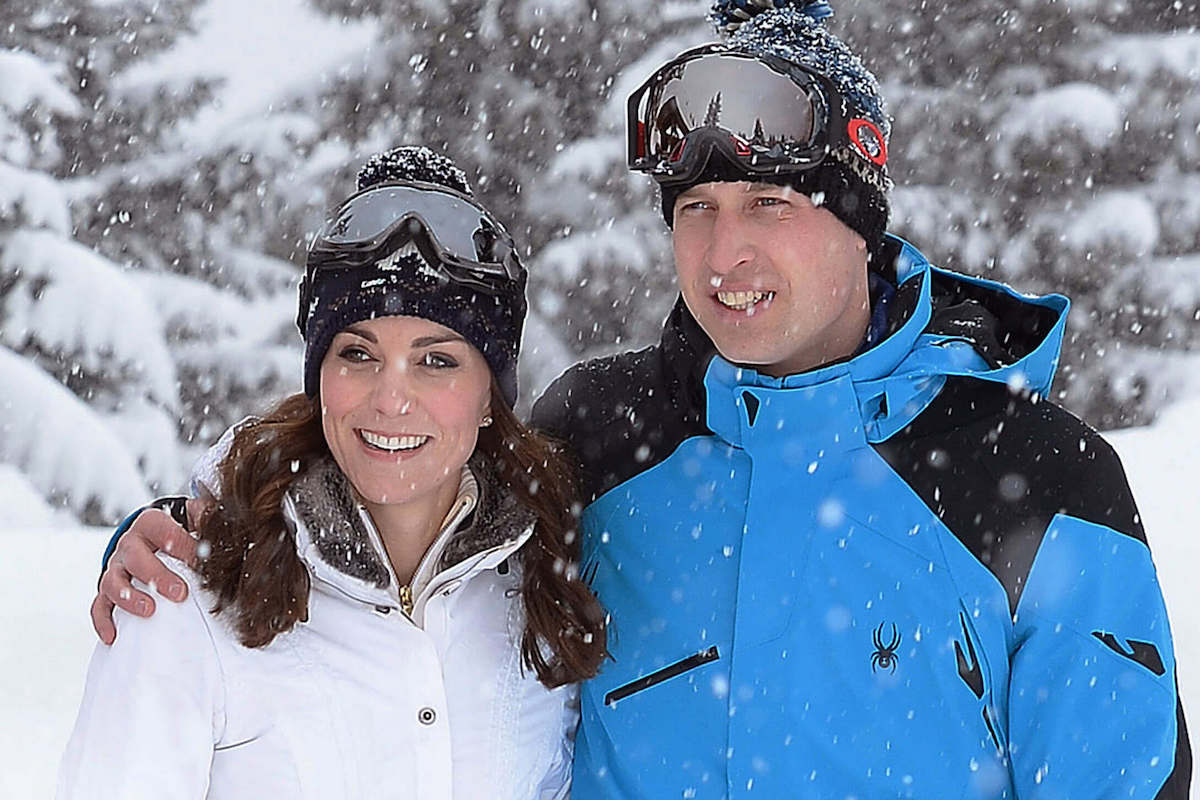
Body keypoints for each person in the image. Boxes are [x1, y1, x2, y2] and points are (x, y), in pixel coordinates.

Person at [92, 1, 1191, 797]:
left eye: (772, 201)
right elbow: (392, 490)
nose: (726, 249)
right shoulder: (602, 435)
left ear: (863, 223)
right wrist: (172, 538)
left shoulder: (1037, 477)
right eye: (697, 205)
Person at [60, 146, 605, 799]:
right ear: (319, 377)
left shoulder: (546, 589)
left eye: (436, 361)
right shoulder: (181, 599)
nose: (391, 398)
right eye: (357, 353)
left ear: (491, 395)